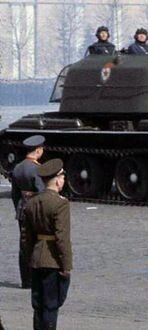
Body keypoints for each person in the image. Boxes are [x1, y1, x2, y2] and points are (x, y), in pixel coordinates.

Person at [23, 158, 72, 330]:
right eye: (63, 177)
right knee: (51, 305)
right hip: (53, 261)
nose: (64, 180)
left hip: (36, 259)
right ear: (57, 180)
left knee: (38, 305)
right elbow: (62, 238)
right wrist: (66, 266)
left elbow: (26, 237)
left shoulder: (32, 203)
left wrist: (29, 259)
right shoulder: (60, 203)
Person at [11, 135, 46, 289]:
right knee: (38, 243)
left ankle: (26, 280)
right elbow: (42, 193)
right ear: (38, 150)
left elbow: (14, 194)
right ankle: (36, 278)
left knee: (24, 244)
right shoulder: (37, 169)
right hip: (35, 210)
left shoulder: (18, 167)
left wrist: (18, 208)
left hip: (22, 209)